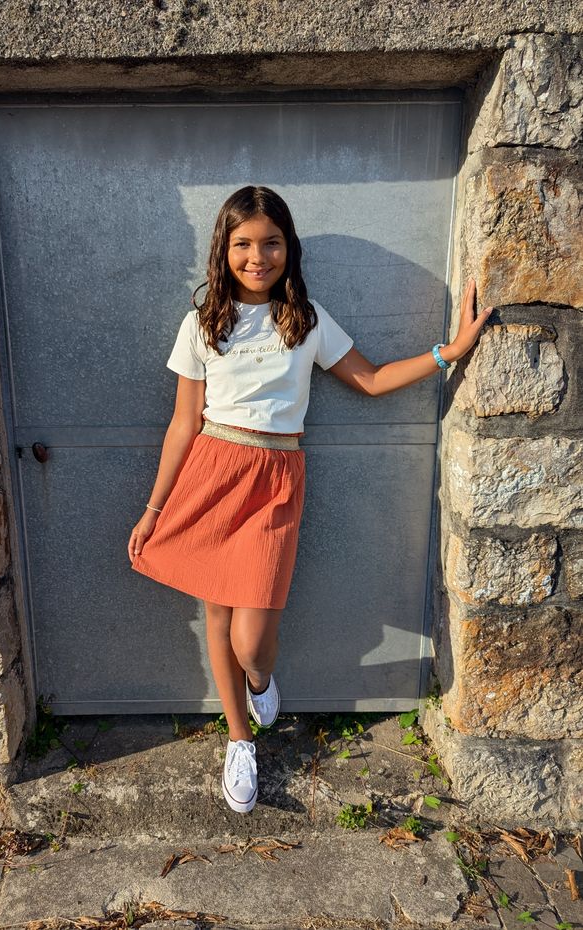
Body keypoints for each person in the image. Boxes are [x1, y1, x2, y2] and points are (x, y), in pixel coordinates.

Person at [128, 185, 492, 814]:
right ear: (225, 249)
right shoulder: (202, 324)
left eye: (270, 243)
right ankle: (240, 740)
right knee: (216, 617)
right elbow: (183, 422)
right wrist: (156, 507)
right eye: (243, 244)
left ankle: (262, 681)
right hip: (212, 474)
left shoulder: (307, 320)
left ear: (288, 249)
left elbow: (372, 381)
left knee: (253, 636)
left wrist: (448, 353)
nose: (257, 256)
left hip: (274, 479)